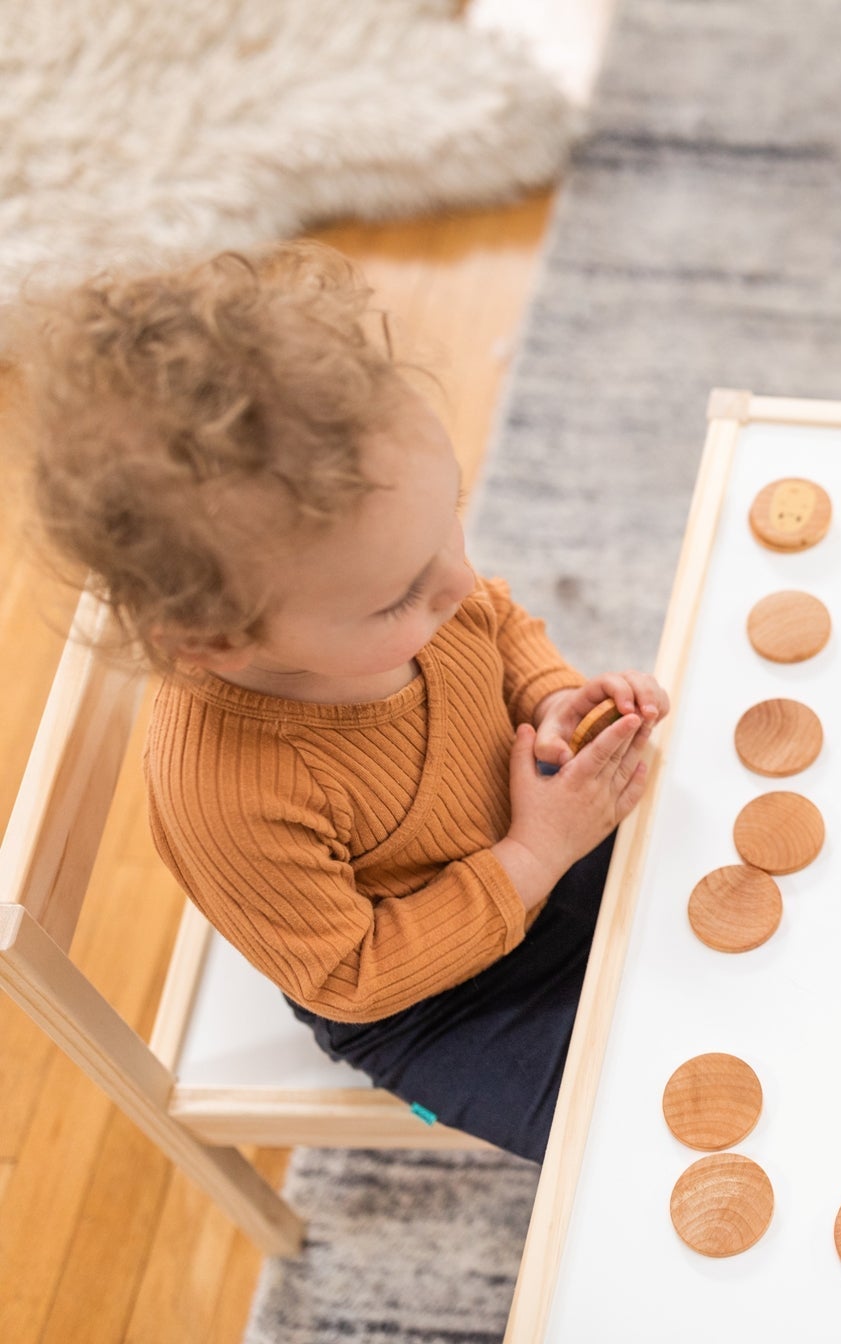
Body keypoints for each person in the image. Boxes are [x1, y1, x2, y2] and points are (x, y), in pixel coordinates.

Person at [9, 243, 669, 1162]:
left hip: (533, 835)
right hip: (443, 997)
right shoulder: (229, 794)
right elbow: (353, 976)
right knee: (643, 1129)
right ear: (214, 639)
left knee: (737, 890)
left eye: (452, 518)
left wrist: (551, 697)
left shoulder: (396, 582)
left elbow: (494, 620)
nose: (458, 579)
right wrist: (535, 852)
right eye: (400, 594)